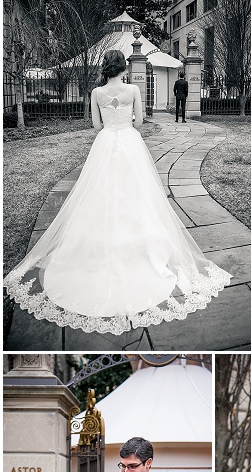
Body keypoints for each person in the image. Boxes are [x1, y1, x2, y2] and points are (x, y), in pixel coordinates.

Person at [3, 49, 231, 335]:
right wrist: (125, 124)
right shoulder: (134, 89)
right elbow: (138, 122)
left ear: (105, 68)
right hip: (129, 143)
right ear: (124, 68)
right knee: (137, 193)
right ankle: (138, 242)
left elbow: (97, 126)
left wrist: (111, 124)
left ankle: (101, 242)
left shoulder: (96, 93)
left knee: (99, 192)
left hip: (105, 144)